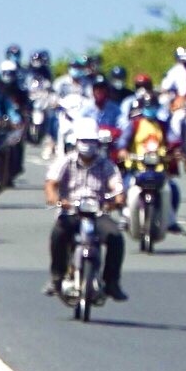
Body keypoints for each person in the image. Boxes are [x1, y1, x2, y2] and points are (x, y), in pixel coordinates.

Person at [47, 121, 128, 302]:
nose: (88, 145)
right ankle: (56, 277)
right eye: (84, 140)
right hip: (72, 211)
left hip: (97, 212)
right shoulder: (66, 161)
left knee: (115, 237)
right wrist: (56, 199)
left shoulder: (106, 164)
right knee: (58, 234)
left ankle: (112, 282)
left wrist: (117, 199)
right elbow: (51, 183)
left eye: (92, 141)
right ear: (76, 141)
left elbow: (116, 185)